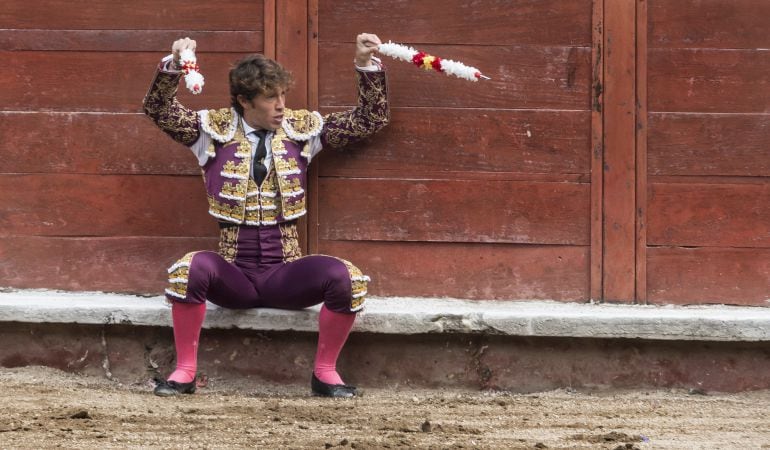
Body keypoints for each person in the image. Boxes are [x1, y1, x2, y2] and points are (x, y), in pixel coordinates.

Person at [142, 33, 389, 398]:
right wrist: (176, 65)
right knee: (188, 270)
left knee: (347, 280)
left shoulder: (302, 132)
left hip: (284, 274)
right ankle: (184, 371)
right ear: (244, 101)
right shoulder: (209, 132)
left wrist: (365, 64)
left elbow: (371, 119)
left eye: (283, 96)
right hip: (233, 275)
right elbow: (159, 110)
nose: (281, 106)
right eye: (270, 98)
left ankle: (325, 374)